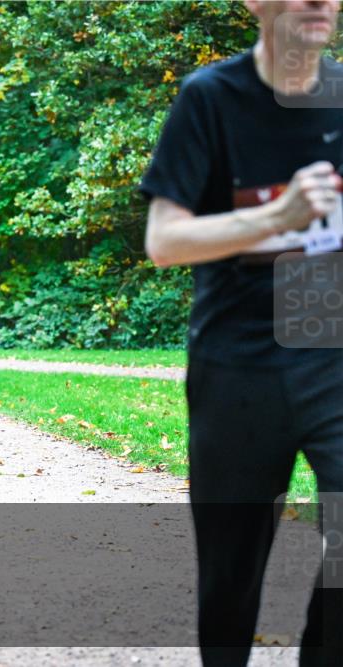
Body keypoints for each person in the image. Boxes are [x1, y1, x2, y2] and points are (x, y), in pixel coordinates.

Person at [141, 2, 342, 665]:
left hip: (329, 355)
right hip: (239, 364)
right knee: (230, 579)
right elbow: (164, 239)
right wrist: (276, 215)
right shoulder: (211, 98)